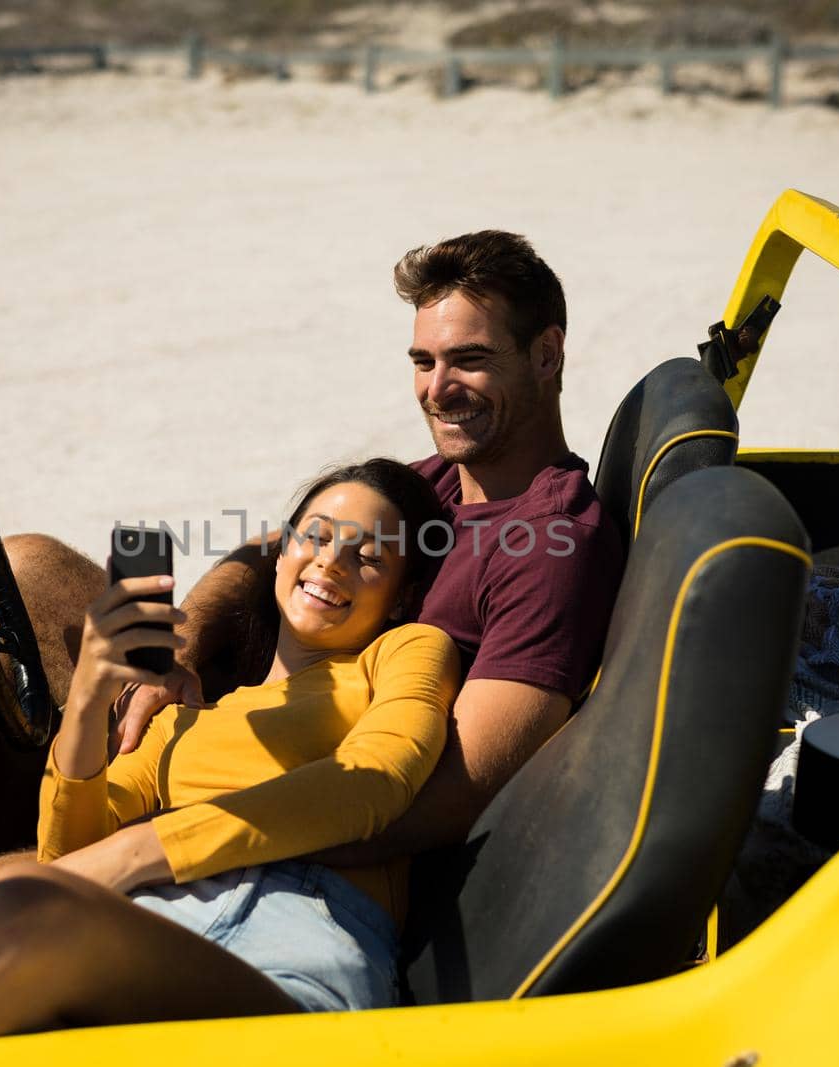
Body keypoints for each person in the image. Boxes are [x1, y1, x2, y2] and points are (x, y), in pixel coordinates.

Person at [0, 460, 460, 1044]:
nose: (331, 562)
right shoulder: (180, 714)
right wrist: (87, 697)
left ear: (402, 597)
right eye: (313, 536)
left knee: (18, 917)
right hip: (139, 925)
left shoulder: (404, 652)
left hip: (294, 936)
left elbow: (373, 781)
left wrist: (137, 851)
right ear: (279, 553)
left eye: (368, 555)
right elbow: (69, 854)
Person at [103, 230, 624, 862]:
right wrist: (173, 656)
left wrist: (179, 837)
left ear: (547, 355)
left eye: (471, 360)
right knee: (32, 563)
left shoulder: (550, 548)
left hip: (277, 824)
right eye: (423, 362)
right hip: (217, 729)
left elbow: (454, 798)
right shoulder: (436, 481)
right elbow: (270, 551)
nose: (438, 389)